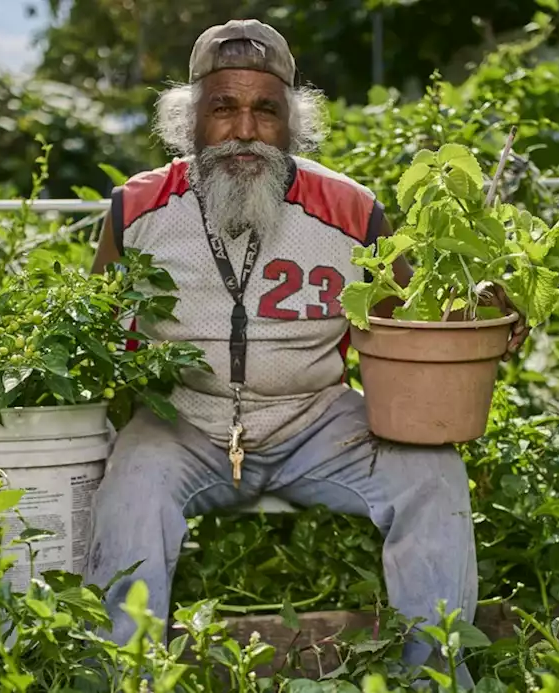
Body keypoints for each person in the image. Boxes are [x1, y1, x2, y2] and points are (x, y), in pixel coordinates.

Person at [85, 18, 528, 679]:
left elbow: (416, 326)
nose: (244, 130)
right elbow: (95, 336)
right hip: (183, 420)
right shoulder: (137, 210)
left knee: (433, 477)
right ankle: (124, 676)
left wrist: (483, 316)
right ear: (190, 121)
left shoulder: (350, 210)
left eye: (265, 110)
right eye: (223, 108)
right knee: (128, 490)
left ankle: (434, 674)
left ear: (292, 123)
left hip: (317, 419)